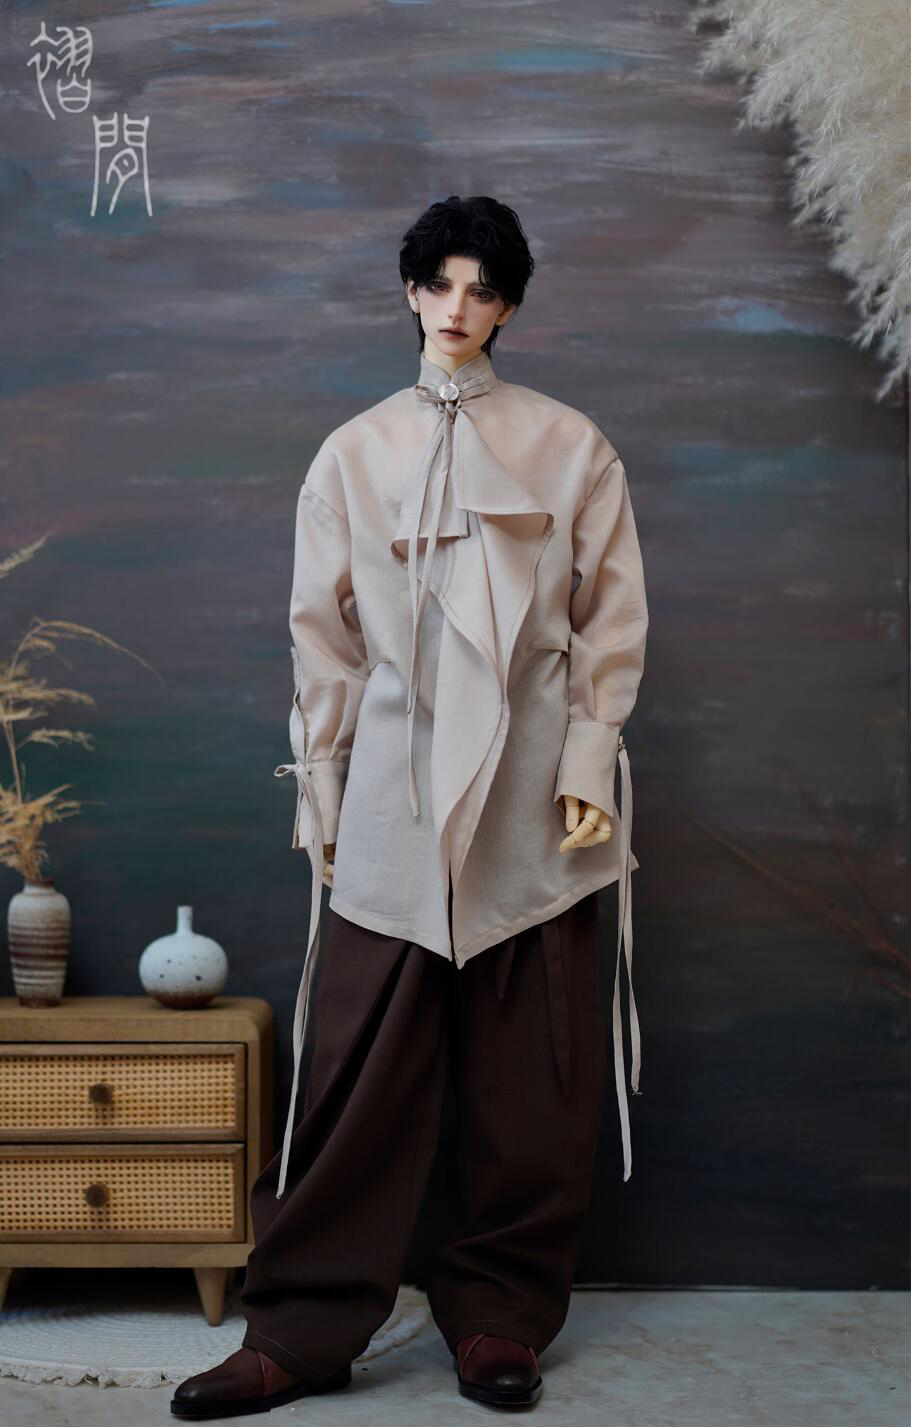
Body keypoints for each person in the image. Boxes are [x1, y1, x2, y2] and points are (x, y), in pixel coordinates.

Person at [171, 194, 649, 1420]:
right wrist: (324, 790)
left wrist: (586, 762)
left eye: (482, 289)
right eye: (438, 284)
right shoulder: (353, 452)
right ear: (409, 292)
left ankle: (499, 1313)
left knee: (532, 1080)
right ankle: (302, 1326)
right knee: (351, 1072)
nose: (456, 308)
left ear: (509, 306)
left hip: (534, 795)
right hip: (389, 787)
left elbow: (607, 620)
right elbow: (322, 642)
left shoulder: (571, 446)